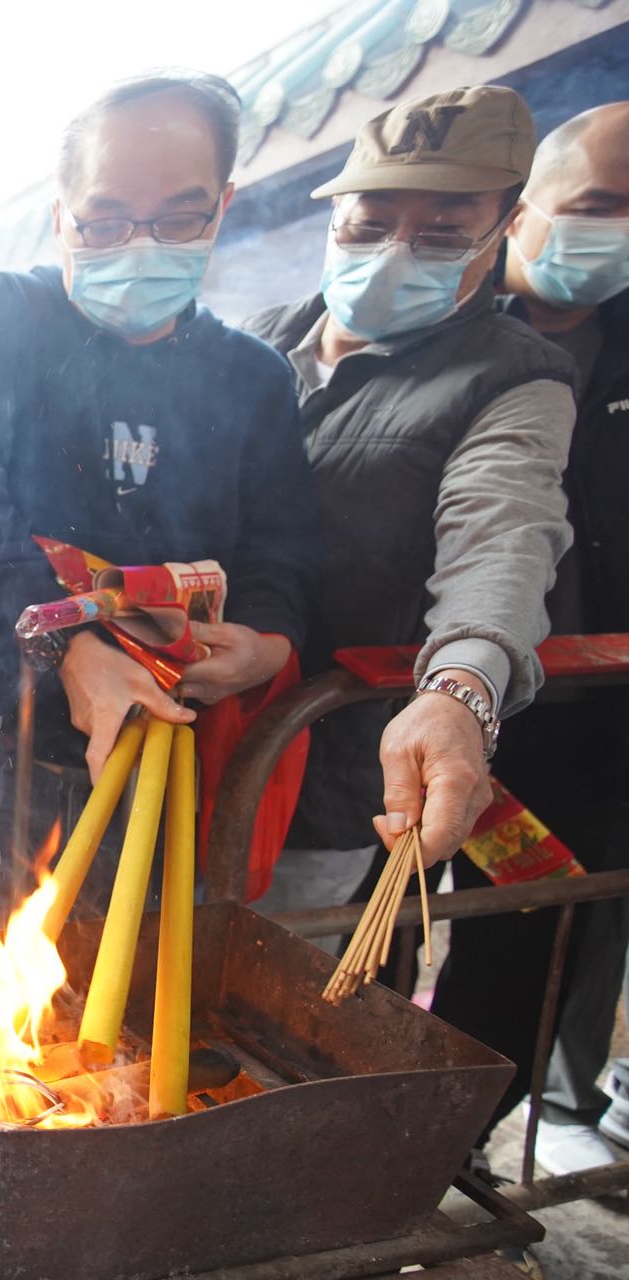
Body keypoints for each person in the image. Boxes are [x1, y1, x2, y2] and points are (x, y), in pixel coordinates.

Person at [0, 71, 321, 931]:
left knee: (130, 983)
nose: (139, 246)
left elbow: (283, 554)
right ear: (62, 216)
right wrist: (71, 649)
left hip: (162, 747)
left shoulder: (253, 377)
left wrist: (265, 644)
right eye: (106, 221)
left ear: (223, 207)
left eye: (177, 219)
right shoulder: (8, 319)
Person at [242, 87, 578, 925]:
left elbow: (502, 533)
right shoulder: (248, 346)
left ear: (505, 229)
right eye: (370, 223)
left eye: (443, 232)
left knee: (244, 984)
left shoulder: (514, 377)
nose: (396, 251)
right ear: (334, 218)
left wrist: (461, 691)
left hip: (321, 772)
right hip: (168, 748)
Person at [426, 101, 629, 1176]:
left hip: (576, 714)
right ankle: (329, 1141)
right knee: (372, 922)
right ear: (522, 209)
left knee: (528, 935)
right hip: (408, 700)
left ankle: (452, 1146)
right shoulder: (435, 323)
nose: (616, 231)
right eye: (596, 205)